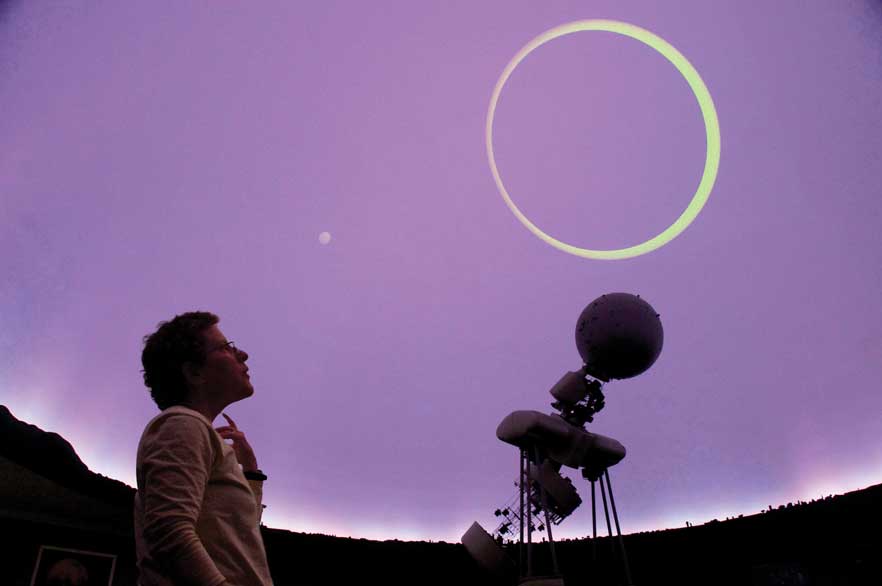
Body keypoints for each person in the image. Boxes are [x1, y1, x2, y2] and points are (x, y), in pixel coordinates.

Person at [134, 311, 273, 586]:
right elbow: (169, 532)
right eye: (225, 348)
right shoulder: (182, 425)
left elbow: (240, 534)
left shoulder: (198, 433)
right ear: (194, 372)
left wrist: (251, 472)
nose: (242, 354)